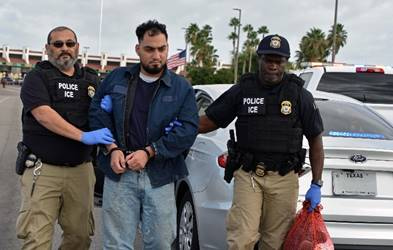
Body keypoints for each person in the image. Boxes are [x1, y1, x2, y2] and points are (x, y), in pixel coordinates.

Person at [199, 34, 324, 250]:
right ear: (260, 59)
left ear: (285, 63)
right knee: (241, 239)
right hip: (249, 176)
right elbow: (210, 121)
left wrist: (316, 183)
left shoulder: (298, 95)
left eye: (279, 61)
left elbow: (315, 139)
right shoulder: (243, 90)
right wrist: (179, 125)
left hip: (284, 179)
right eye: (269, 60)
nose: (273, 66)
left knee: (275, 243)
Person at [89, 20, 199, 249]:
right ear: (138, 49)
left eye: (162, 48)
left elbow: (188, 129)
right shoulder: (116, 78)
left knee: (160, 243)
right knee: (116, 244)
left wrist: (150, 151)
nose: (156, 55)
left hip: (160, 176)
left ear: (167, 48)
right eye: (149, 49)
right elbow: (97, 113)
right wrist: (112, 149)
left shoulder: (181, 88)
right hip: (119, 173)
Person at [16, 26, 114, 250]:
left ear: (77, 47)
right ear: (48, 48)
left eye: (70, 44)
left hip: (81, 170)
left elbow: (103, 113)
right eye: (58, 44)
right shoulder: (36, 77)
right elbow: (44, 115)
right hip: (42, 170)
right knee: (36, 239)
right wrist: (83, 136)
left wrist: (109, 108)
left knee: (79, 238)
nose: (64, 49)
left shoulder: (91, 79)